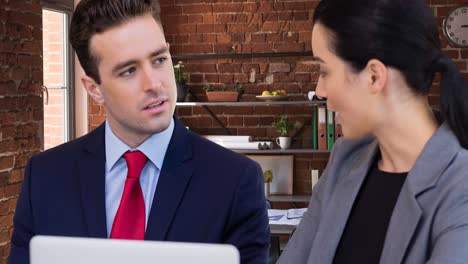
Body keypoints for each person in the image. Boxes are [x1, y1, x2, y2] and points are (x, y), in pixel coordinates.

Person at [8, 0, 269, 263]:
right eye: (129, 71)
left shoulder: (235, 181)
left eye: (159, 60)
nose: (154, 83)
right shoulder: (44, 178)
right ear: (94, 89)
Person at [278, 0, 468, 263]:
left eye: (324, 71)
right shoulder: (345, 159)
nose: (320, 91)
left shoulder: (460, 187)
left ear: (374, 77)